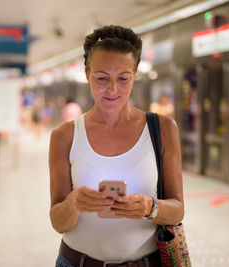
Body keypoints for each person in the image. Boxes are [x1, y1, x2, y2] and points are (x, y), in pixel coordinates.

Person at [49, 25, 184, 267]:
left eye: (123, 78)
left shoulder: (163, 129)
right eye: (102, 78)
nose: (112, 89)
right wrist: (74, 202)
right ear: (87, 73)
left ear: (134, 75)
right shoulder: (65, 135)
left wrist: (150, 207)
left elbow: (177, 210)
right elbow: (59, 223)